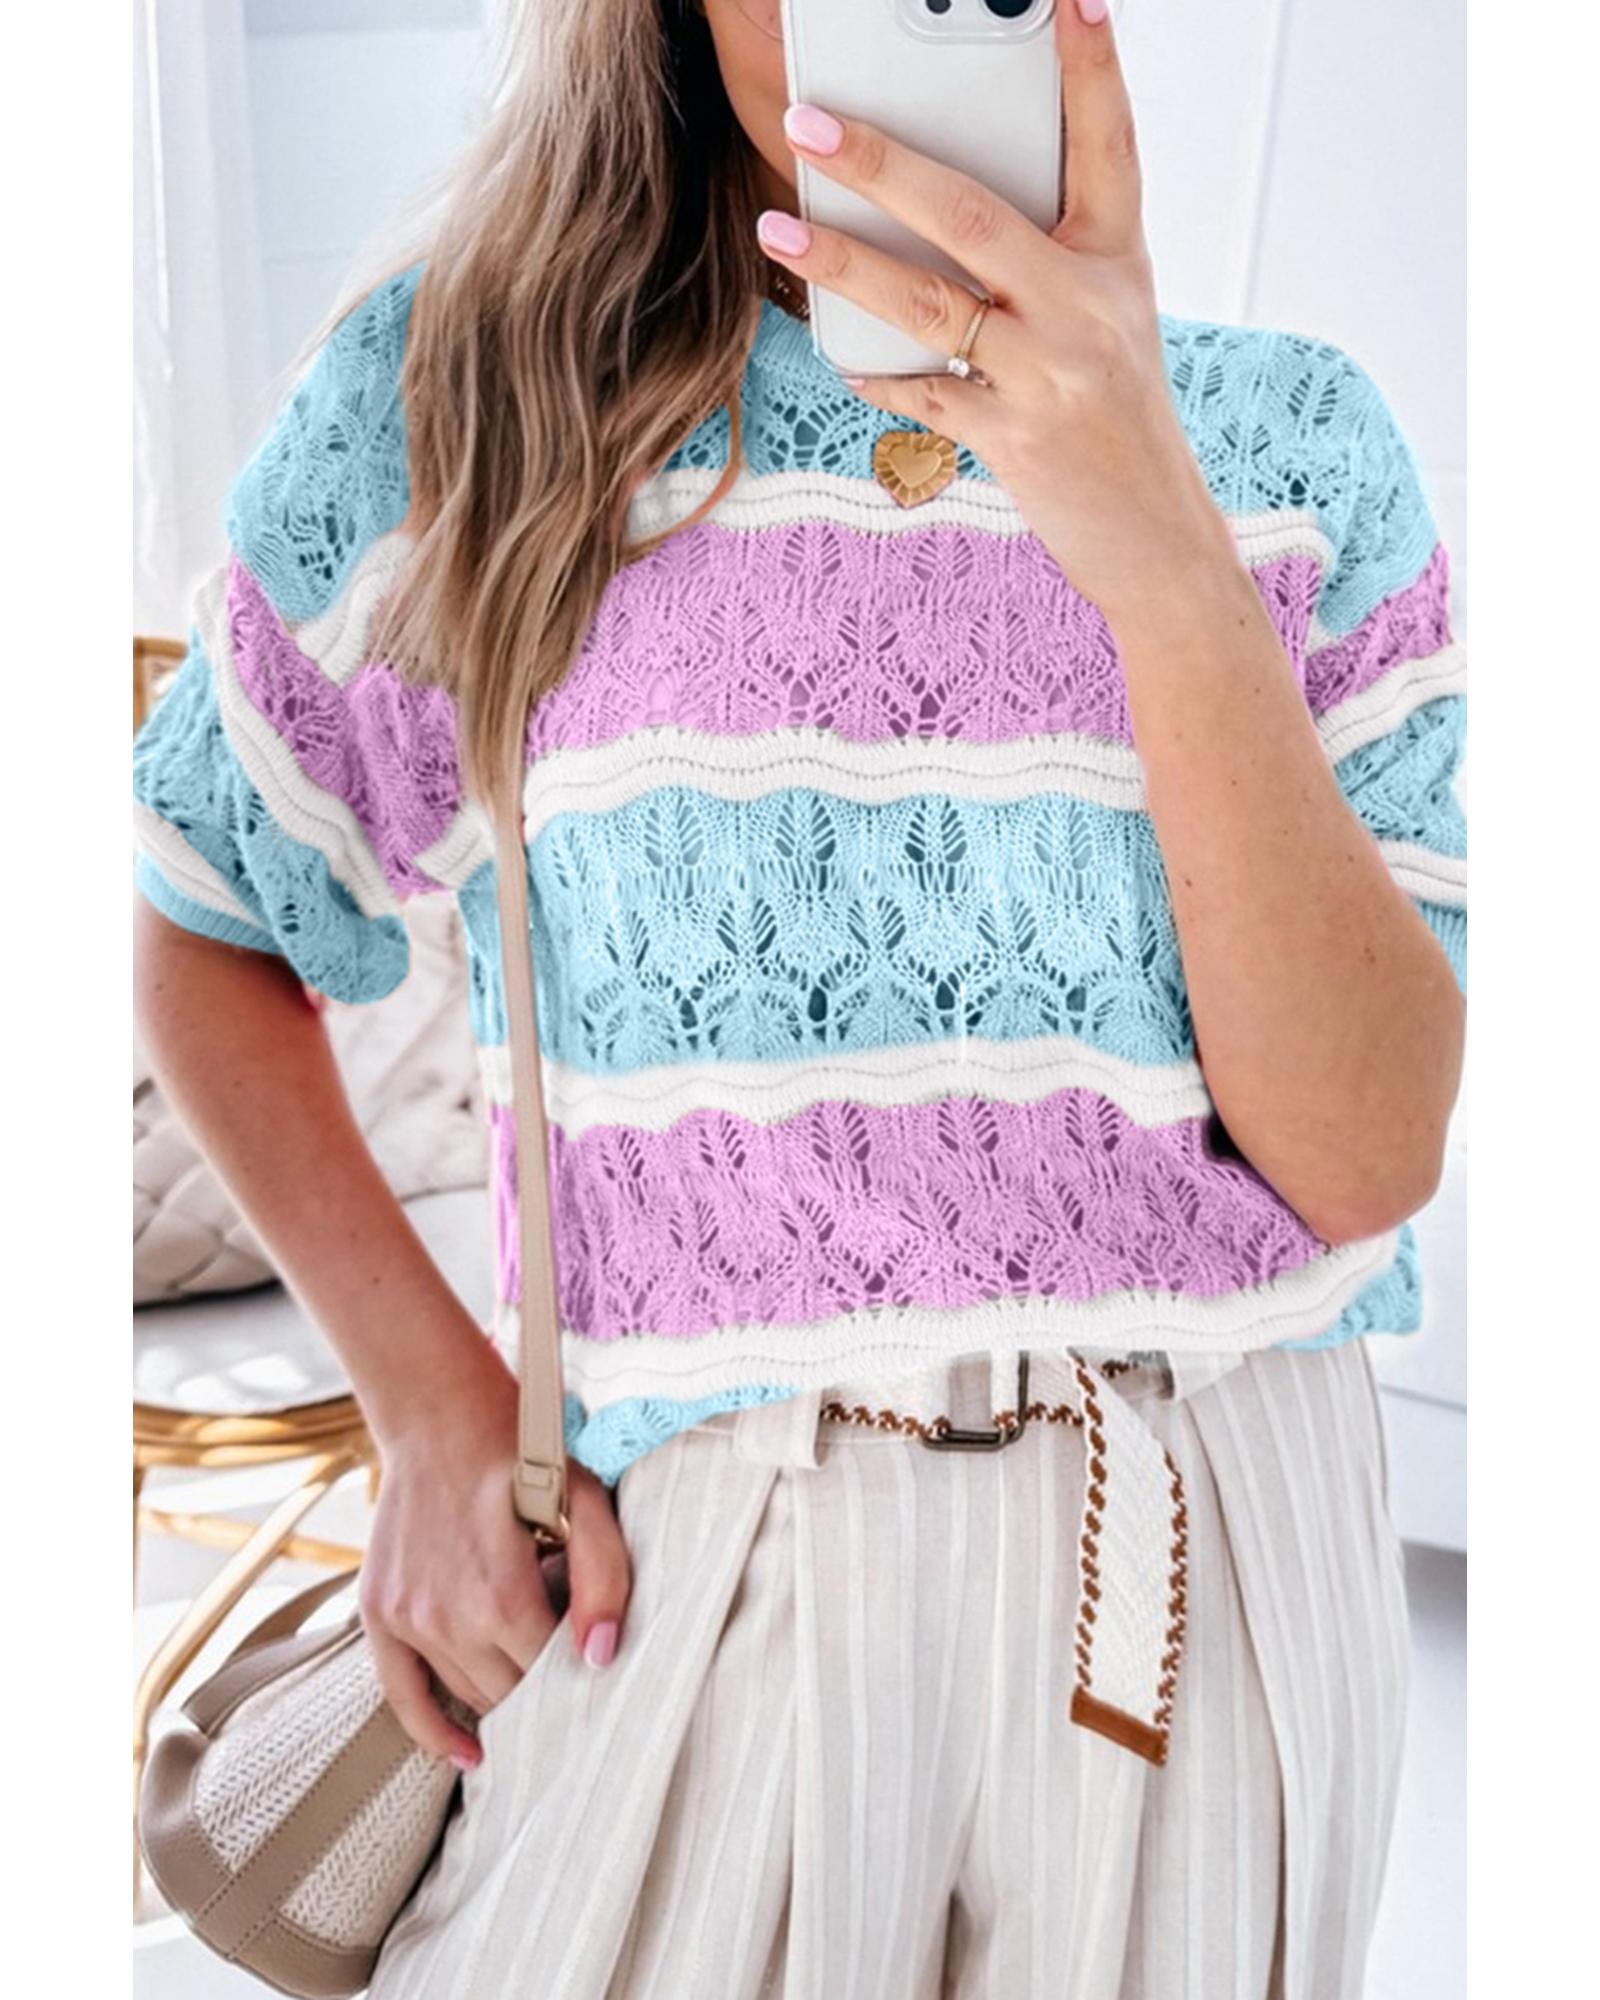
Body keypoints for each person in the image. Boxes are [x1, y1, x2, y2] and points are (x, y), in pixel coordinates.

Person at [130, 2, 1467, 1994]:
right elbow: (205, 910)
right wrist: (427, 1412)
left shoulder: (1292, 450)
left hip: (1206, 1568)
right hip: (689, 1568)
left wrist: (1163, 550)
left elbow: (1363, 1154)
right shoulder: (467, 405)